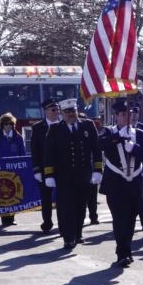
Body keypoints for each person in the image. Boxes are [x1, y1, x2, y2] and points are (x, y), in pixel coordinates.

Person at [43, 98, 102, 250]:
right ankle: (69, 238)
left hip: (83, 174)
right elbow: (48, 153)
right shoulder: (55, 129)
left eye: (73, 111)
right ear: (62, 113)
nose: (71, 114)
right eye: (67, 112)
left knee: (81, 207)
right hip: (64, 177)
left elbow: (96, 149)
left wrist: (97, 170)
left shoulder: (87, 125)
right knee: (67, 207)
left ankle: (77, 233)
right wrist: (49, 174)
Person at [99, 99, 143, 267]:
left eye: (129, 114)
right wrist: (116, 137)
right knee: (119, 219)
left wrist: (134, 148)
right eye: (123, 114)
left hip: (134, 183)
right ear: (116, 116)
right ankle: (122, 253)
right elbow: (97, 145)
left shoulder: (141, 134)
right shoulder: (108, 132)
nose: (127, 117)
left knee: (130, 220)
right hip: (115, 183)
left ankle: (127, 250)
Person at [0, 112, 27, 226]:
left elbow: (22, 154)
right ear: (2, 125)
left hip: (14, 170)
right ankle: (4, 218)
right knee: (1, 194)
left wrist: (22, 166)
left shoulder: (18, 137)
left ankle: (12, 217)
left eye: (10, 124)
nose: (8, 126)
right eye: (5, 124)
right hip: (0, 170)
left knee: (13, 194)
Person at [31, 98, 60, 232]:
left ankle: (63, 223)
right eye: (53, 110)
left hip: (61, 169)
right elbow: (35, 150)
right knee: (46, 198)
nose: (56, 112)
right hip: (43, 169)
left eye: (57, 110)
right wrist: (36, 170)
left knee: (63, 198)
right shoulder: (38, 128)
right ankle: (47, 222)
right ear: (46, 111)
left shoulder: (62, 126)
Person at [128, 101, 143, 231]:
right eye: (131, 113)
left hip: (139, 169)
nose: (134, 116)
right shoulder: (119, 128)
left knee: (141, 197)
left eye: (136, 113)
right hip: (123, 170)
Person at [87, 114, 108, 225]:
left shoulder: (91, 135)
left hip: (91, 170)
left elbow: (97, 152)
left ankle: (93, 217)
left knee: (92, 197)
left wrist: (98, 170)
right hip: (79, 172)